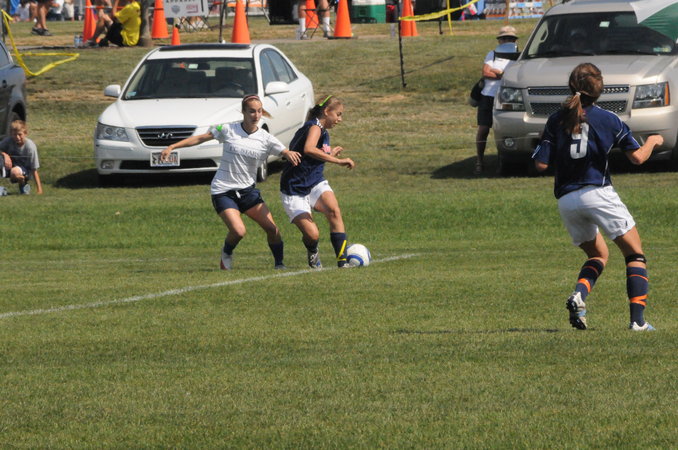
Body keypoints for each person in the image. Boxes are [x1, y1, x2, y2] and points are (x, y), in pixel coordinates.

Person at [532, 63, 664, 331]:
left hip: (567, 200)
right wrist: (653, 141)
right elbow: (637, 158)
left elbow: (541, 164)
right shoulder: (609, 119)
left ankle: (579, 295)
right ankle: (638, 322)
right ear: (599, 90)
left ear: (571, 86)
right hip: (598, 193)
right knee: (635, 254)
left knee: (598, 255)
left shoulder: (556, 119)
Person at [159, 95, 302, 270]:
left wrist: (289, 154)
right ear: (243, 112)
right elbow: (200, 138)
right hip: (223, 190)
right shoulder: (227, 129)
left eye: (259, 111)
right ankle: (226, 253)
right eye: (251, 111)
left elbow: (285, 151)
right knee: (239, 231)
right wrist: (172, 147)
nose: (256, 115)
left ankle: (279, 264)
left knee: (273, 229)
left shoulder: (265, 138)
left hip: (248, 192)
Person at [279, 95, 355, 269]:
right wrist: (338, 161)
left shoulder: (323, 131)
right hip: (294, 189)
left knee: (334, 210)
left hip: (314, 182)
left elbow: (311, 154)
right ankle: (312, 250)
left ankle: (343, 262)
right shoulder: (315, 127)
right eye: (338, 114)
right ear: (327, 111)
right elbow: (309, 149)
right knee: (313, 235)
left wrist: (329, 155)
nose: (340, 119)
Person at [474, 25, 519, 175]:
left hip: (506, 96)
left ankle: (503, 161)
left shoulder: (519, 56)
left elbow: (516, 75)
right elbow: (485, 72)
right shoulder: (492, 54)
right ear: (499, 40)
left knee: (505, 131)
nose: (506, 41)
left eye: (510, 38)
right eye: (504, 38)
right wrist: (502, 74)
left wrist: (497, 72)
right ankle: (479, 161)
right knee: (483, 129)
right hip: (487, 95)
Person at [1, 120, 43, 195]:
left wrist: (39, 190)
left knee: (15, 171)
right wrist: (5, 155)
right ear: (11, 134)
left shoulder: (30, 147)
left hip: (24, 170)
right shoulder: (8, 141)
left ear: (25, 133)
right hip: (10, 166)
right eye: (14, 134)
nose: (17, 137)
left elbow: (34, 169)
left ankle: (22, 183)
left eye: (20, 134)